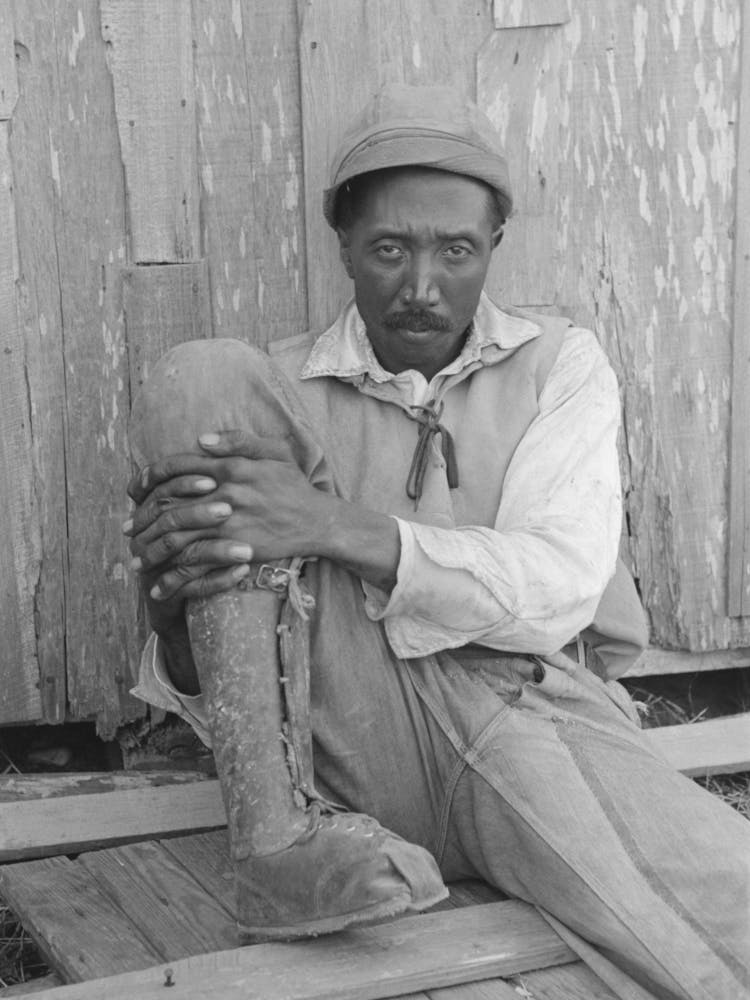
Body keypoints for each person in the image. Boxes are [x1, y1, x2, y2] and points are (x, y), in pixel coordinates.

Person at [125, 85, 749, 1000]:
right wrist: (178, 608)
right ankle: (273, 848)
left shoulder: (559, 364)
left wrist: (331, 524)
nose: (421, 286)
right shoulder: (277, 394)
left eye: (456, 250)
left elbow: (560, 584)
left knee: (728, 914)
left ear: (494, 243)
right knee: (203, 378)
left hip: (530, 711)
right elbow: (236, 684)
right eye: (389, 249)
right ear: (344, 244)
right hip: (347, 734)